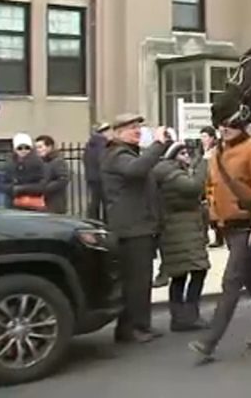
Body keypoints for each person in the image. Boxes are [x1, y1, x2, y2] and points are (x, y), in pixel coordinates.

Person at [189, 112, 251, 362]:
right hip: (228, 226)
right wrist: (214, 218)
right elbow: (211, 187)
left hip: (245, 227)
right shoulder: (217, 153)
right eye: (221, 124)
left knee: (231, 282)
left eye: (230, 124)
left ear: (241, 125)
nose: (225, 129)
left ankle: (208, 342)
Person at [102, 113, 170, 343]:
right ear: (118, 132)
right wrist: (159, 144)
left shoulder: (129, 154)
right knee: (136, 283)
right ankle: (133, 328)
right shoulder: (117, 154)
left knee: (140, 281)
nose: (137, 131)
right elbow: (136, 170)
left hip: (140, 226)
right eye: (131, 127)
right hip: (131, 230)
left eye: (138, 126)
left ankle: (138, 326)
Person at [153, 140, 211, 332]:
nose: (187, 157)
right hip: (181, 231)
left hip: (183, 229)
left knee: (181, 274)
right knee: (197, 270)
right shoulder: (171, 173)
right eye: (182, 153)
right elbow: (194, 187)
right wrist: (204, 162)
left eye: (187, 153)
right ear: (173, 156)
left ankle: (179, 317)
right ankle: (189, 315)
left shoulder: (172, 171)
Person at [0, 132, 48, 211]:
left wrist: (21, 189)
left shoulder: (38, 163)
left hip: (31, 205)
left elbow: (42, 185)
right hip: (12, 204)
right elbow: (2, 183)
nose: (23, 150)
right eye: (20, 148)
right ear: (15, 149)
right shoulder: (9, 164)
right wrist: (12, 189)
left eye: (27, 147)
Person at [35, 135, 69, 215]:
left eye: (40, 147)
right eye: (36, 148)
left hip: (54, 203)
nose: (38, 150)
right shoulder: (41, 162)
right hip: (42, 203)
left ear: (49, 147)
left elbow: (63, 179)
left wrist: (44, 188)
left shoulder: (57, 161)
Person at [84, 123, 112, 221]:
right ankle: (106, 222)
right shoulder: (103, 144)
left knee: (94, 201)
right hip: (102, 177)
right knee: (106, 202)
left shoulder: (90, 144)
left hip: (91, 176)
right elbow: (104, 160)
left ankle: (92, 220)